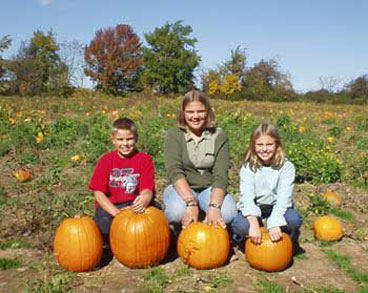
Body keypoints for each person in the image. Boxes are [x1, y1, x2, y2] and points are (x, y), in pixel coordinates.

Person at [163, 90, 237, 231]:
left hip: (209, 189)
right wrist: (191, 202)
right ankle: (178, 230)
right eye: (190, 112)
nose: (195, 116)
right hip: (182, 189)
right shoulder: (174, 135)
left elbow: (220, 174)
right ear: (183, 113)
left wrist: (214, 206)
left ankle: (204, 222)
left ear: (207, 112)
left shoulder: (219, 135)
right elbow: (174, 171)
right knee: (176, 212)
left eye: (200, 111)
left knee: (228, 213)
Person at [231, 122, 302, 249]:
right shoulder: (248, 167)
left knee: (294, 220)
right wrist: (253, 223)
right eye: (260, 144)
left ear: (277, 145)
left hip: (276, 206)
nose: (264, 149)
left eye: (269, 144)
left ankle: (287, 242)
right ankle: (245, 242)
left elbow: (283, 199)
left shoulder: (286, 167)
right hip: (255, 207)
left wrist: (274, 222)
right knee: (240, 226)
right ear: (253, 146)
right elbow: (246, 198)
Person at [88, 118, 155, 244]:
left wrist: (145, 197)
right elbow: (99, 193)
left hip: (134, 203)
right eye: (120, 139)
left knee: (155, 217)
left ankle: (143, 242)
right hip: (112, 205)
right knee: (103, 225)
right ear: (113, 139)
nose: (125, 144)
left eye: (129, 139)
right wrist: (116, 213)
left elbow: (147, 188)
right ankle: (114, 243)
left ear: (136, 138)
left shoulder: (144, 159)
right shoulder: (105, 160)